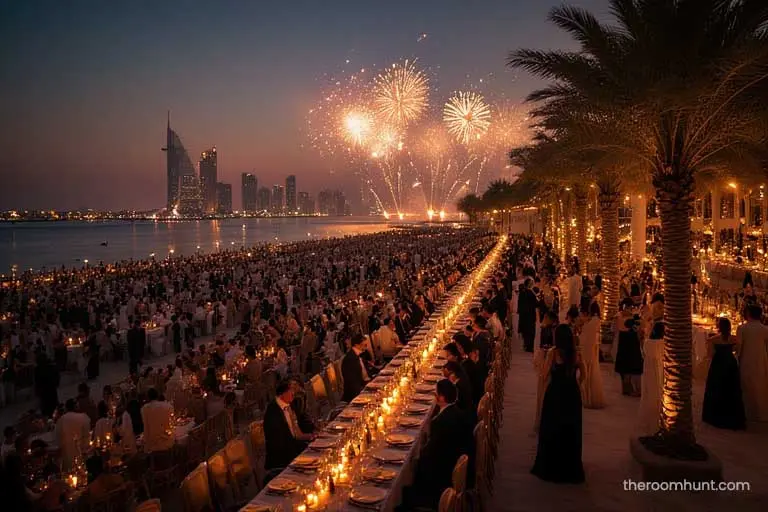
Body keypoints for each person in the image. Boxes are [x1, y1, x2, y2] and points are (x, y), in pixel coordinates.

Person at [531, 324, 585, 483]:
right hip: (572, 395)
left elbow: (543, 374)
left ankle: (551, 465)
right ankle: (569, 466)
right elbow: (584, 375)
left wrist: (539, 361)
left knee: (552, 427)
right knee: (570, 430)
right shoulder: (576, 354)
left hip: (555, 394)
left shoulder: (553, 353)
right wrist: (575, 384)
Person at [407, 379, 470, 509]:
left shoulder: (441, 422)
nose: (434, 396)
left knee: (407, 482)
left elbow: (430, 455)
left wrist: (413, 459)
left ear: (441, 398)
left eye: (435, 394)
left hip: (442, 475)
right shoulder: (457, 412)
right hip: (453, 459)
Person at [702, 317, 746, 430]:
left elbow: (710, 354)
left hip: (718, 365)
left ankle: (716, 416)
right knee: (731, 389)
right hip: (730, 364)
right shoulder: (734, 339)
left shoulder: (713, 340)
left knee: (717, 388)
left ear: (719, 327)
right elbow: (737, 350)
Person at [264, 380, 316, 470]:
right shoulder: (273, 412)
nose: (293, 393)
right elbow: (278, 444)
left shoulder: (289, 405)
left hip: (294, 449)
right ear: (282, 393)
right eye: (291, 390)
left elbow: (297, 433)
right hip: (281, 458)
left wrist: (312, 435)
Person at [737, 304, 768, 423]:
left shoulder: (742, 328)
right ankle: (761, 413)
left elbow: (739, 346)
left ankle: (748, 413)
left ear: (748, 313)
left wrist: (737, 358)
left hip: (746, 359)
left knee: (747, 386)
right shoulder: (765, 329)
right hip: (761, 360)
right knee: (761, 386)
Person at [638, 300, 664, 435]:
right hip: (658, 368)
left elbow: (645, 350)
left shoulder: (650, 343)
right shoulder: (662, 342)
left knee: (651, 391)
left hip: (650, 368)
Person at [579, 300, 605, 409]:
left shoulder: (592, 322)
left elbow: (585, 335)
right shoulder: (596, 320)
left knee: (587, 371)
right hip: (592, 349)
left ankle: (587, 396)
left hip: (587, 349)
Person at [55, 398, 91, 471]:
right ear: (76, 406)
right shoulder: (83, 417)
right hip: (82, 455)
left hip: (67, 459)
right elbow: (87, 436)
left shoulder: (60, 421)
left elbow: (58, 441)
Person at [615, 314, 643, 397]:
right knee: (633, 375)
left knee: (625, 375)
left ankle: (626, 390)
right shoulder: (635, 334)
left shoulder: (623, 334)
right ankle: (634, 390)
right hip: (633, 357)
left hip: (624, 356)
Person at [140, 388, 174, 454]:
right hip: (168, 442)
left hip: (152, 445)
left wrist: (145, 443)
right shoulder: (168, 406)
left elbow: (146, 428)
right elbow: (171, 425)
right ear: (158, 396)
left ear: (148, 398)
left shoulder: (144, 409)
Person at [341, 333, 369, 402]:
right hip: (355, 393)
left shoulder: (359, 354)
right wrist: (363, 393)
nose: (367, 347)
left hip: (364, 385)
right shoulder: (350, 359)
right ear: (357, 345)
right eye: (365, 345)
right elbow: (352, 382)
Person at [33, 352, 60, 418]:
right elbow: (57, 378)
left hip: (43, 393)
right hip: (52, 391)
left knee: (45, 411)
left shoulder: (37, 369)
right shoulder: (52, 367)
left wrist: (37, 392)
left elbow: (37, 382)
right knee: (54, 409)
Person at [518, 278, 538, 353]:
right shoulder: (531, 293)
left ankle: (526, 344)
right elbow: (536, 303)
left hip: (524, 315)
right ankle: (530, 346)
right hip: (530, 314)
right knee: (531, 331)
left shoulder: (522, 292)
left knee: (525, 330)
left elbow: (519, 304)